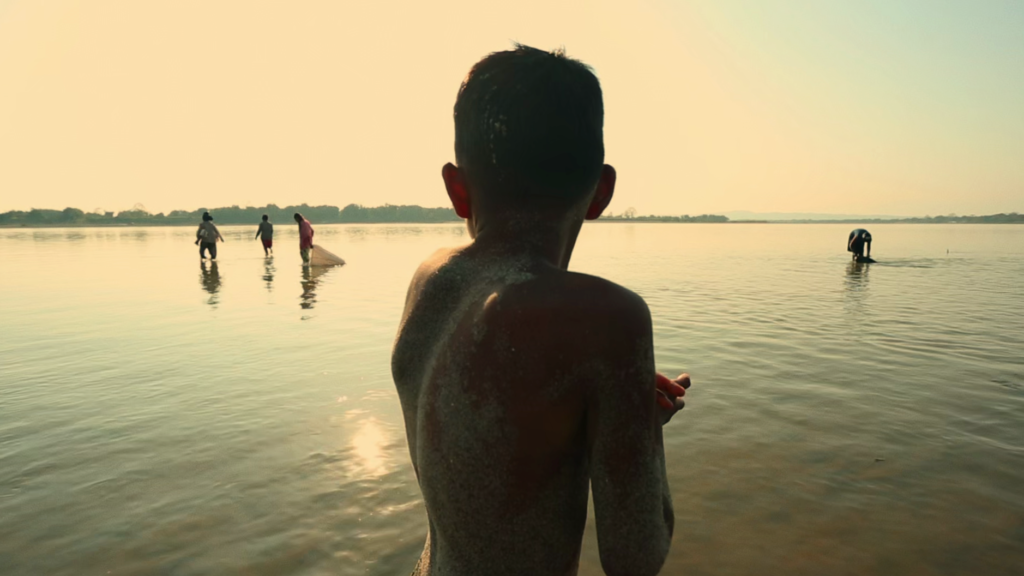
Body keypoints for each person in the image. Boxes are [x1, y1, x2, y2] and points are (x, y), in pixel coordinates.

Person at [391, 45, 691, 576]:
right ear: (600, 194)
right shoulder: (608, 319)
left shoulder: (429, 280)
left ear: (457, 190)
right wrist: (642, 428)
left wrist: (608, 403)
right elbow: (636, 556)